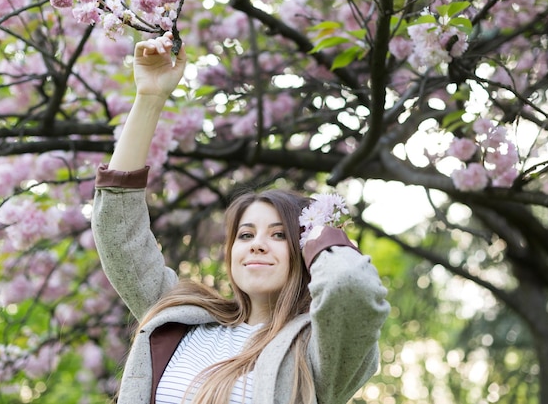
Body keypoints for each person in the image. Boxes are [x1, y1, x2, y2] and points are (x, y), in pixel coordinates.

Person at [91, 31, 390, 404]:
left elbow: (351, 287)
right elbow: (117, 230)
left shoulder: (316, 350)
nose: (258, 244)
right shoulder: (181, 317)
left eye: (280, 235)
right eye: (246, 235)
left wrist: (319, 229)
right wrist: (150, 98)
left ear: (304, 250)